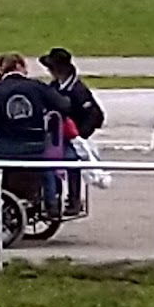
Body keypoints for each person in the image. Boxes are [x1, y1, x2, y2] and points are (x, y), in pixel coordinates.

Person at [40, 47, 105, 210]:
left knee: (71, 161)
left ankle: (74, 198)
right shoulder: (55, 86)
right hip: (57, 135)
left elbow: (95, 115)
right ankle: (55, 197)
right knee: (53, 162)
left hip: (73, 135)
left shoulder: (78, 90)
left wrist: (79, 135)